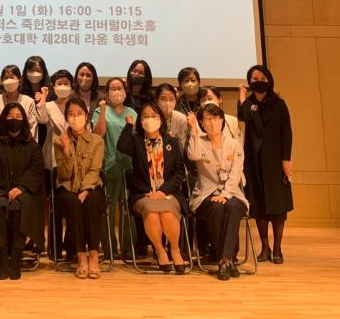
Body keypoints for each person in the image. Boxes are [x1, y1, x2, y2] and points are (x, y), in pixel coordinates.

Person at [116, 100, 189, 273]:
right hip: (144, 194)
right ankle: (160, 250)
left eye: (153, 116)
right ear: (140, 120)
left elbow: (179, 172)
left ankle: (174, 250)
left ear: (161, 120)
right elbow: (122, 147)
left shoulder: (171, 142)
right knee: (152, 211)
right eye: (145, 116)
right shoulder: (136, 141)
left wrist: (163, 191)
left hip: (168, 193)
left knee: (167, 212)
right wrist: (128, 125)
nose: (149, 119)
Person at [0, 102, 44, 280]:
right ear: (3, 119)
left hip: (24, 191)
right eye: (10, 116)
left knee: (19, 205)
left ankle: (15, 257)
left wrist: (21, 187)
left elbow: (37, 171)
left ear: (24, 121)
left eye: (18, 117)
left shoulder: (32, 145)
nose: (14, 120)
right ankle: (2, 258)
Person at [237, 64, 293, 265]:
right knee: (258, 205)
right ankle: (264, 248)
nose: (258, 81)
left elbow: (287, 132)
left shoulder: (279, 103)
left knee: (278, 207)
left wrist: (286, 160)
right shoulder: (248, 103)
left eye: (262, 78)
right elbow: (243, 117)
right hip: (253, 161)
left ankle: (277, 248)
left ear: (269, 80)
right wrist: (242, 97)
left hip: (275, 161)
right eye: (254, 79)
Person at [187, 103, 249, 281]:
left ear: (222, 120)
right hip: (206, 193)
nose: (212, 122)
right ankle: (229, 259)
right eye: (207, 119)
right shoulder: (199, 141)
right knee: (216, 207)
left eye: (215, 118)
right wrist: (193, 130)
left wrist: (226, 194)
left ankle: (223, 260)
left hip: (232, 192)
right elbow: (193, 155)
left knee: (234, 206)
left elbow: (236, 173)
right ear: (201, 122)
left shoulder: (234, 144)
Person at [53, 97, 106, 279]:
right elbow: (64, 174)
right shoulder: (59, 141)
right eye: (71, 114)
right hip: (67, 189)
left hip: (91, 187)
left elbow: (95, 169)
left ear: (86, 115)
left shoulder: (97, 141)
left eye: (79, 113)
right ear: (66, 117)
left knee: (93, 201)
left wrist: (86, 189)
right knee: (73, 203)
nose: (75, 118)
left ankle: (94, 255)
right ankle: (81, 257)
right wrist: (67, 150)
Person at [91, 77, 136, 258]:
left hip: (128, 165)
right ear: (107, 92)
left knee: (127, 207)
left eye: (120, 88)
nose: (117, 92)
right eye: (113, 88)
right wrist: (102, 110)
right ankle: (110, 248)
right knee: (108, 207)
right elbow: (98, 133)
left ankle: (127, 248)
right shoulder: (100, 110)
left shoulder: (132, 112)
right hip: (108, 164)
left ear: (125, 91)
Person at [0, 64, 38, 139]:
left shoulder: (28, 101)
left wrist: (30, 143)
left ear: (19, 80)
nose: (9, 80)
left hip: (23, 142)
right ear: (2, 81)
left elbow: (32, 127)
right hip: (1, 141)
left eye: (12, 77)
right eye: (5, 78)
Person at [156, 83, 189, 152]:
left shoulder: (181, 118)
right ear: (156, 100)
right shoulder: (151, 116)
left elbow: (181, 147)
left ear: (175, 100)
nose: (167, 103)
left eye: (171, 99)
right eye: (163, 99)